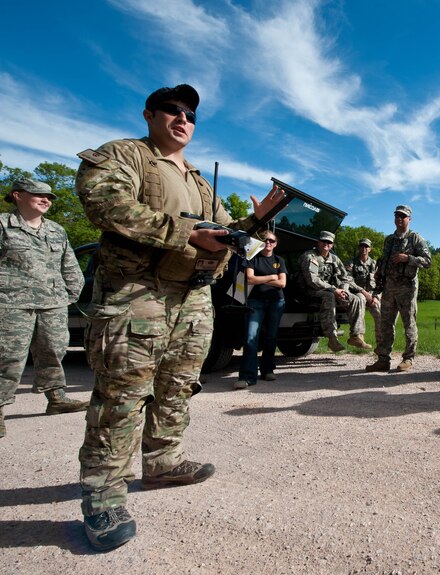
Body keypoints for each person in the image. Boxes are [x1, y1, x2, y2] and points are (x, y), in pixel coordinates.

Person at [74, 84, 286, 551]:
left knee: (178, 387)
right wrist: (188, 233)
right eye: (172, 109)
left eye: (190, 113)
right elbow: (104, 204)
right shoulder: (124, 155)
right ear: (150, 114)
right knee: (122, 396)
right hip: (137, 294)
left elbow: (227, 237)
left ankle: (163, 463)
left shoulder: (198, 181)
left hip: (191, 299)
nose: (183, 118)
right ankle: (103, 497)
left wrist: (255, 224)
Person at [0, 178, 87, 438]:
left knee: (54, 350)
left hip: (53, 303)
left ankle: (57, 399)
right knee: (9, 357)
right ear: (17, 195)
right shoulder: (3, 224)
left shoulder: (56, 230)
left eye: (49, 196)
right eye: (38, 194)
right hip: (11, 303)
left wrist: (70, 293)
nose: (46, 199)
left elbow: (69, 263)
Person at [366, 205, 431, 372]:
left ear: (409, 219)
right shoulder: (389, 239)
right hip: (388, 287)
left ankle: (408, 359)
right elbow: (385, 260)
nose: (399, 219)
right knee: (385, 324)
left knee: (409, 323)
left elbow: (427, 261)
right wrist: (380, 272)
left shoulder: (415, 238)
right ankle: (383, 359)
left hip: (407, 288)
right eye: (397, 216)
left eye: (403, 216)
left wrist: (407, 258)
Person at [297, 231, 372, 352]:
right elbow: (312, 280)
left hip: (332, 290)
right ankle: (332, 338)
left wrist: (344, 290)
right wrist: (334, 290)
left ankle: (356, 336)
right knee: (329, 296)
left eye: (329, 242)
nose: (326, 244)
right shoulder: (310, 256)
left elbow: (345, 277)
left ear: (332, 245)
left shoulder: (334, 258)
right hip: (309, 292)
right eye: (324, 241)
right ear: (318, 242)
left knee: (357, 298)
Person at [234, 231, 287, 390]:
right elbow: (250, 279)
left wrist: (262, 279)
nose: (268, 243)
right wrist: (272, 277)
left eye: (272, 240)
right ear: (261, 243)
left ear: (275, 244)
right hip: (255, 301)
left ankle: (267, 370)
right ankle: (247, 377)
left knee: (271, 336)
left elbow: (283, 283)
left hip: (277, 302)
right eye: (265, 240)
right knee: (251, 337)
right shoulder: (252, 258)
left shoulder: (279, 260)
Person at [345, 238, 381, 327]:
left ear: (370, 249)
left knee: (381, 316)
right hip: (357, 293)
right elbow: (347, 280)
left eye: (366, 246)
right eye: (362, 246)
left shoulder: (374, 263)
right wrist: (363, 292)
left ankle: (382, 340)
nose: (364, 248)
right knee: (360, 303)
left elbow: (379, 281)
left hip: (372, 295)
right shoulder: (351, 262)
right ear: (359, 248)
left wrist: (376, 296)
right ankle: (358, 337)